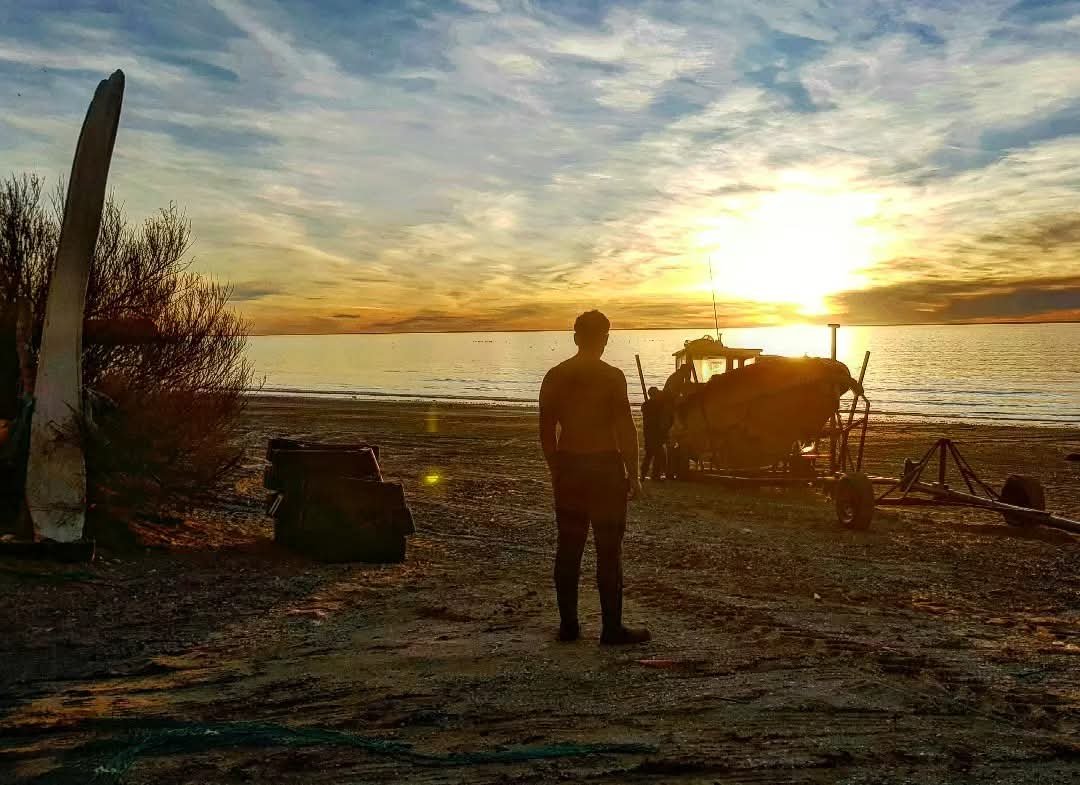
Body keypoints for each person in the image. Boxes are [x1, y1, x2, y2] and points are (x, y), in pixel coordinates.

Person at [539, 310, 650, 645]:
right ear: (604, 339)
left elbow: (546, 430)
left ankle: (569, 626)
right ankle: (611, 628)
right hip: (605, 470)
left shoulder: (555, 375)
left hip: (570, 468)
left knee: (569, 547)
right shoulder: (611, 377)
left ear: (576, 338)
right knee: (608, 551)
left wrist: (556, 468)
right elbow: (626, 428)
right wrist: (634, 474)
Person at [639, 386, 669, 481]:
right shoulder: (659, 405)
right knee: (658, 455)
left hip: (648, 432)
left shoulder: (645, 405)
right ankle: (655, 475)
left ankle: (643, 474)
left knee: (649, 454)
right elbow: (661, 418)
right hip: (656, 432)